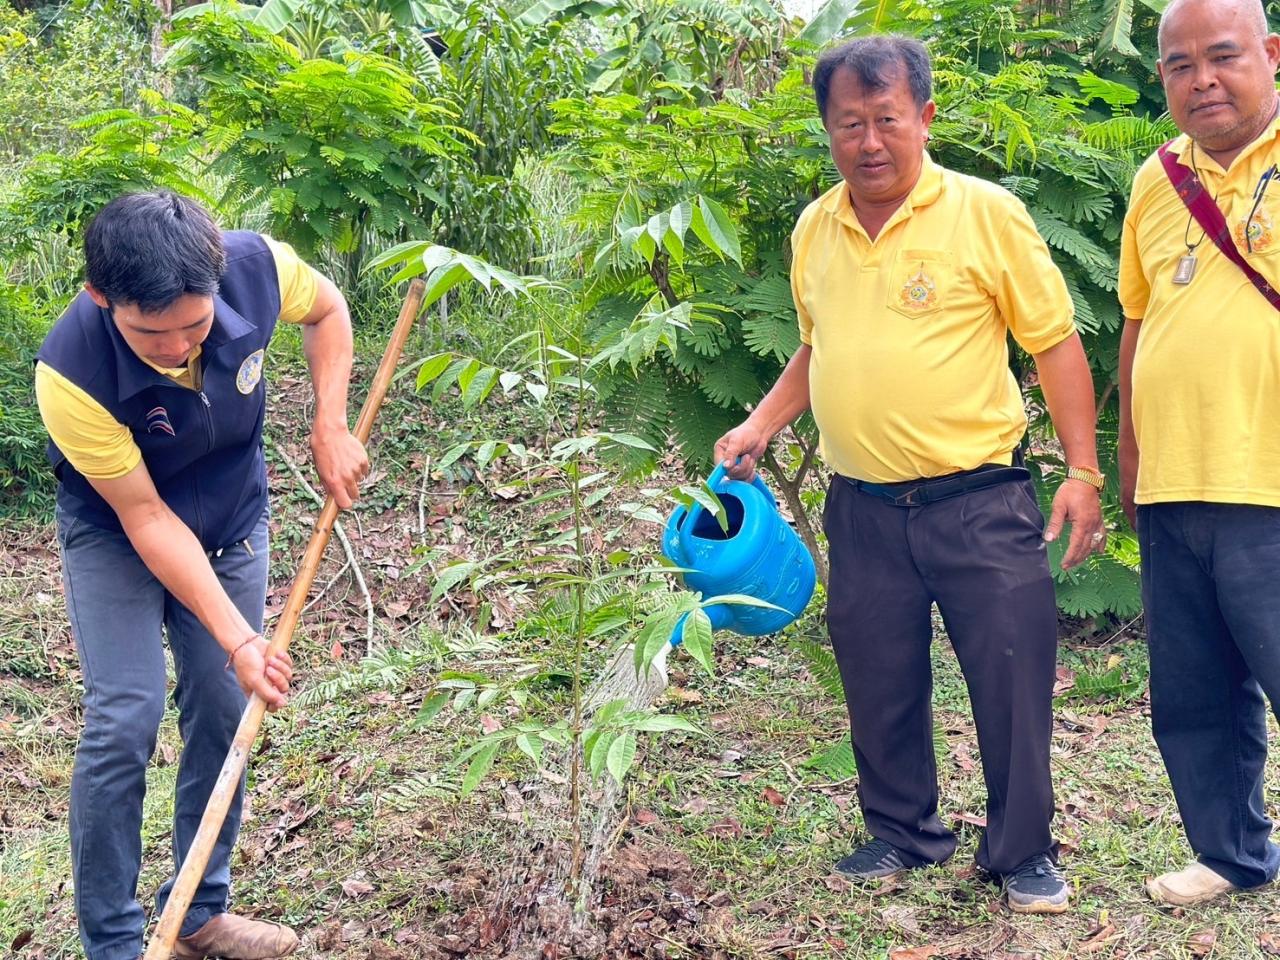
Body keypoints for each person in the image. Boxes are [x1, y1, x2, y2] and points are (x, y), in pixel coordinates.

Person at [714, 36, 1105, 914]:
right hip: (862, 507)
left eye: (887, 118)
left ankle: (1023, 852)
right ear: (827, 131)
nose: (869, 141)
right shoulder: (816, 227)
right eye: (848, 124)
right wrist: (759, 423)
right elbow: (821, 348)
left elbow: (1053, 342)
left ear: (924, 118)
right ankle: (903, 831)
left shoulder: (986, 213)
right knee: (877, 673)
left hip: (978, 498)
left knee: (1009, 674)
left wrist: (1082, 468)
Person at [34, 191, 368, 960]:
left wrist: (329, 421)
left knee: (223, 705)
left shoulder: (255, 265)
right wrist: (238, 635)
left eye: (197, 322)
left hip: (230, 519)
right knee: (125, 718)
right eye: (153, 331)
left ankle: (196, 912)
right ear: (101, 297)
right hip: (120, 532)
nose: (179, 344)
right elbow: (148, 519)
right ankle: (116, 944)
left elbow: (329, 311)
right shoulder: (69, 371)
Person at [1118, 0, 1280, 907]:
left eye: (1222, 56)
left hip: (1273, 480)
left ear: (1271, 53)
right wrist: (1131, 455)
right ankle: (1231, 855)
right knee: (1195, 696)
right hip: (1178, 483)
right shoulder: (1156, 177)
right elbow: (1140, 319)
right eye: (1179, 65)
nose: (1201, 79)